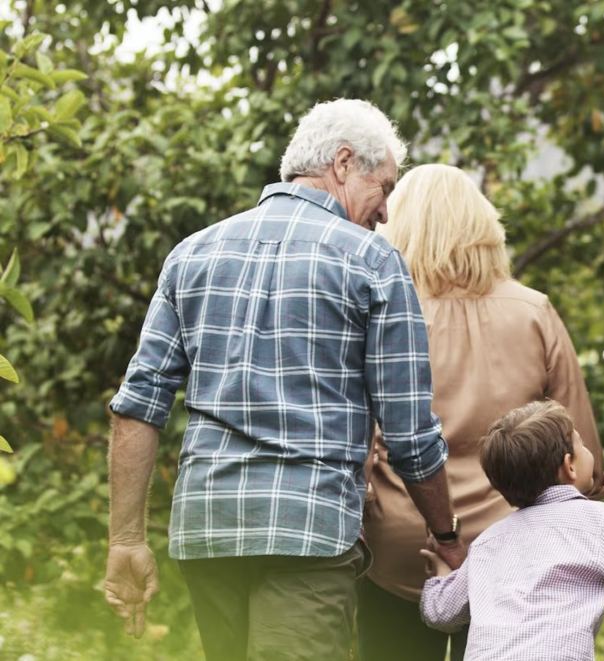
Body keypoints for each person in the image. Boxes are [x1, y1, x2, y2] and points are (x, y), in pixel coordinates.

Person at [104, 99, 465, 661]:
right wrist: (446, 536)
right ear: (343, 163)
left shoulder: (192, 254)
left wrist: (126, 540)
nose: (388, 213)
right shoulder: (372, 263)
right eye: (385, 187)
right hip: (310, 535)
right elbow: (409, 434)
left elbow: (138, 405)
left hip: (208, 533)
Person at [359, 164, 604, 661]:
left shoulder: (383, 313)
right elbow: (583, 456)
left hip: (405, 550)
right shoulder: (533, 311)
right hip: (521, 553)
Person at [419, 401, 604, 661]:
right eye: (582, 445)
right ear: (569, 466)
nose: (588, 450)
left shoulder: (487, 542)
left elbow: (441, 613)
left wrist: (443, 573)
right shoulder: (595, 521)